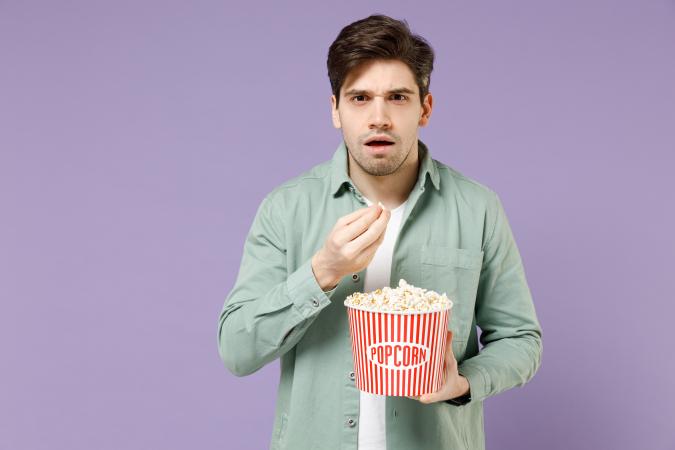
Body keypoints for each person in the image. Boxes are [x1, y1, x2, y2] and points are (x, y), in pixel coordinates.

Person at [217, 13, 542, 450]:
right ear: (335, 110)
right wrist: (321, 272)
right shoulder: (286, 208)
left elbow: (521, 340)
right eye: (359, 98)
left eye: (398, 97)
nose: (379, 117)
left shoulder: (478, 208)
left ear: (424, 109)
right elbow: (237, 351)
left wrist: (464, 382)